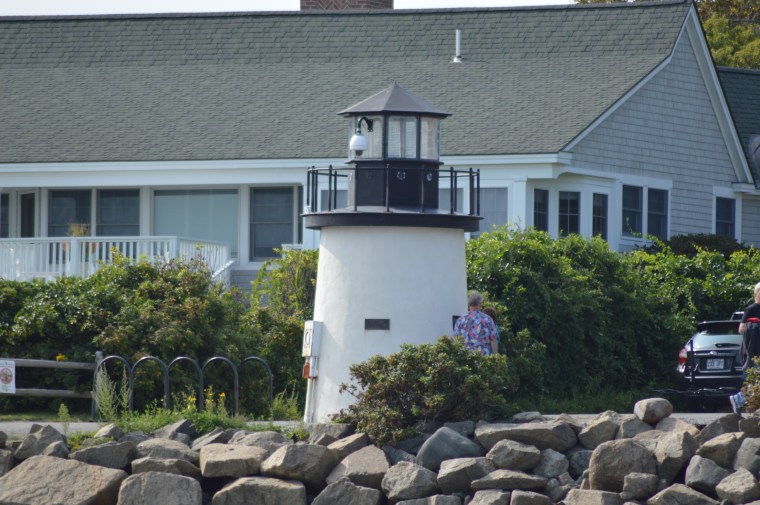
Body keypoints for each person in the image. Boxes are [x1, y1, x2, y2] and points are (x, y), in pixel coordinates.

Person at [730, 281, 760, 414]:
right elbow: (741, 329)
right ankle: (739, 399)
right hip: (754, 349)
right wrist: (754, 325)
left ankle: (739, 399)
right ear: (755, 294)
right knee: (757, 380)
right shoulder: (751, 309)